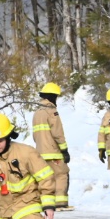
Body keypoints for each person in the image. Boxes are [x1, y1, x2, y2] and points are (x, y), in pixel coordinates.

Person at [32, 82, 73, 211]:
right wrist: (64, 150)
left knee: (47, 177)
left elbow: (35, 135)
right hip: (53, 152)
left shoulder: (37, 112)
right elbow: (58, 133)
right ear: (52, 96)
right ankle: (60, 202)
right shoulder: (51, 111)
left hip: (41, 151)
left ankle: (48, 202)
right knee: (62, 174)